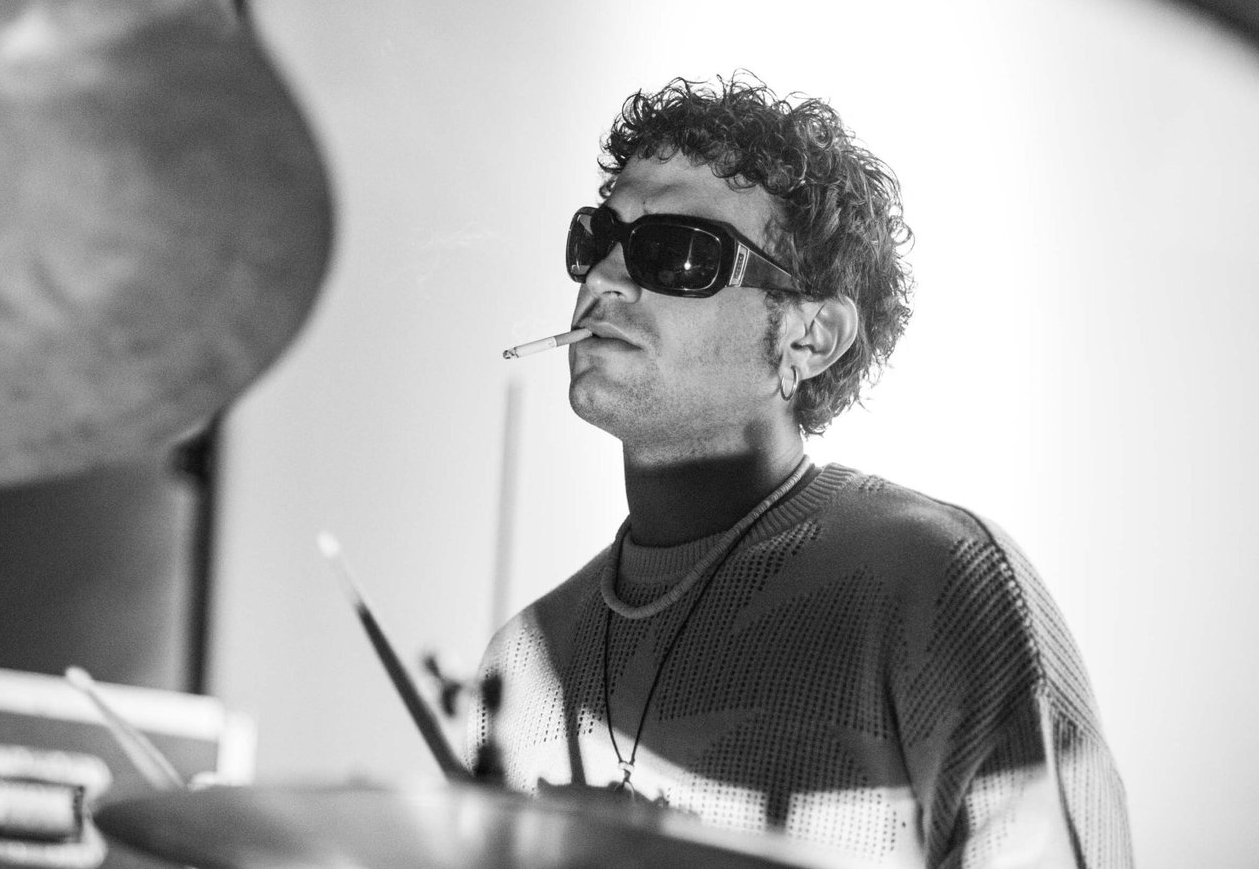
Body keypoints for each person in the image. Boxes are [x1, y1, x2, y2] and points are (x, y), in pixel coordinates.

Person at [466, 76, 1132, 867]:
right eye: (596, 237)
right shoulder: (522, 661)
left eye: (679, 253)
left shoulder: (941, 590)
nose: (603, 278)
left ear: (809, 337)